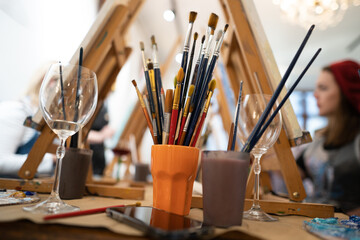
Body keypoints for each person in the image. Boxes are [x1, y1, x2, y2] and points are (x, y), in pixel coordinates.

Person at [296, 59, 360, 215]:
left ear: (346, 92)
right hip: (312, 226)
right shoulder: (320, 137)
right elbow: (296, 173)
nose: (315, 95)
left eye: (323, 88)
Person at [0, 63, 55, 178]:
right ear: (49, 82)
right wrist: (52, 159)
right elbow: (1, 161)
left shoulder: (37, 115)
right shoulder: (16, 111)